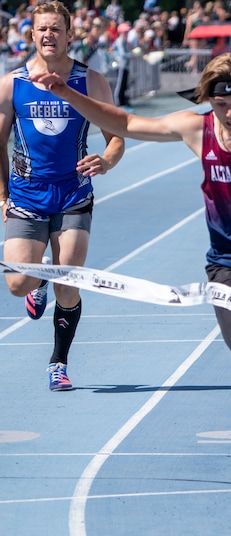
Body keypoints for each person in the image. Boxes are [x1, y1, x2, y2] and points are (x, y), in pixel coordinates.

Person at [30, 52, 231, 507]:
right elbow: (122, 121)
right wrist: (67, 92)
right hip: (230, 271)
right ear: (208, 103)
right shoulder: (195, 129)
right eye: (222, 106)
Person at [0, 1, 125, 392]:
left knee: (68, 281)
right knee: (18, 283)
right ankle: (37, 283)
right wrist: (2, 195)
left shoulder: (92, 81)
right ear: (32, 35)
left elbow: (117, 136)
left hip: (73, 194)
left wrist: (105, 161)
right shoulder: (12, 84)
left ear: (70, 35)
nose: (49, 35)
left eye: (57, 28)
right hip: (26, 195)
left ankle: (58, 362)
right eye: (42, 29)